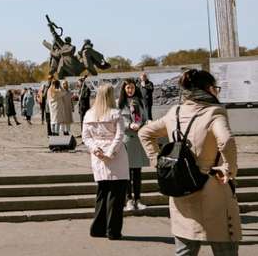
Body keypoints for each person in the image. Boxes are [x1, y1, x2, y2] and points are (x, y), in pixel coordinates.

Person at [139, 69, 241, 256]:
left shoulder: (174, 113)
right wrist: (229, 169)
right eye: (216, 88)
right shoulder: (213, 113)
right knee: (225, 247)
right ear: (210, 89)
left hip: (180, 186)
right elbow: (226, 141)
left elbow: (145, 132)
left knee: (185, 250)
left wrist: (157, 162)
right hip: (213, 188)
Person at [82, 84, 129, 241]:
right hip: (115, 155)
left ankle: (98, 228)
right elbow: (120, 135)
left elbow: (86, 137)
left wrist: (95, 150)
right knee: (116, 194)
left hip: (98, 154)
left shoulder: (89, 114)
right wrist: (111, 153)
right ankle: (113, 230)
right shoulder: (116, 113)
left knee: (102, 192)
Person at [118, 80, 149, 211]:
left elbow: (145, 117)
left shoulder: (140, 102)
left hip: (137, 139)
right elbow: (118, 121)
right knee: (127, 172)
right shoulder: (119, 104)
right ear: (124, 89)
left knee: (137, 172)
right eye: (128, 88)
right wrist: (129, 125)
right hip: (126, 140)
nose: (130, 90)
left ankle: (138, 199)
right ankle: (129, 200)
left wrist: (143, 124)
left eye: (132, 87)